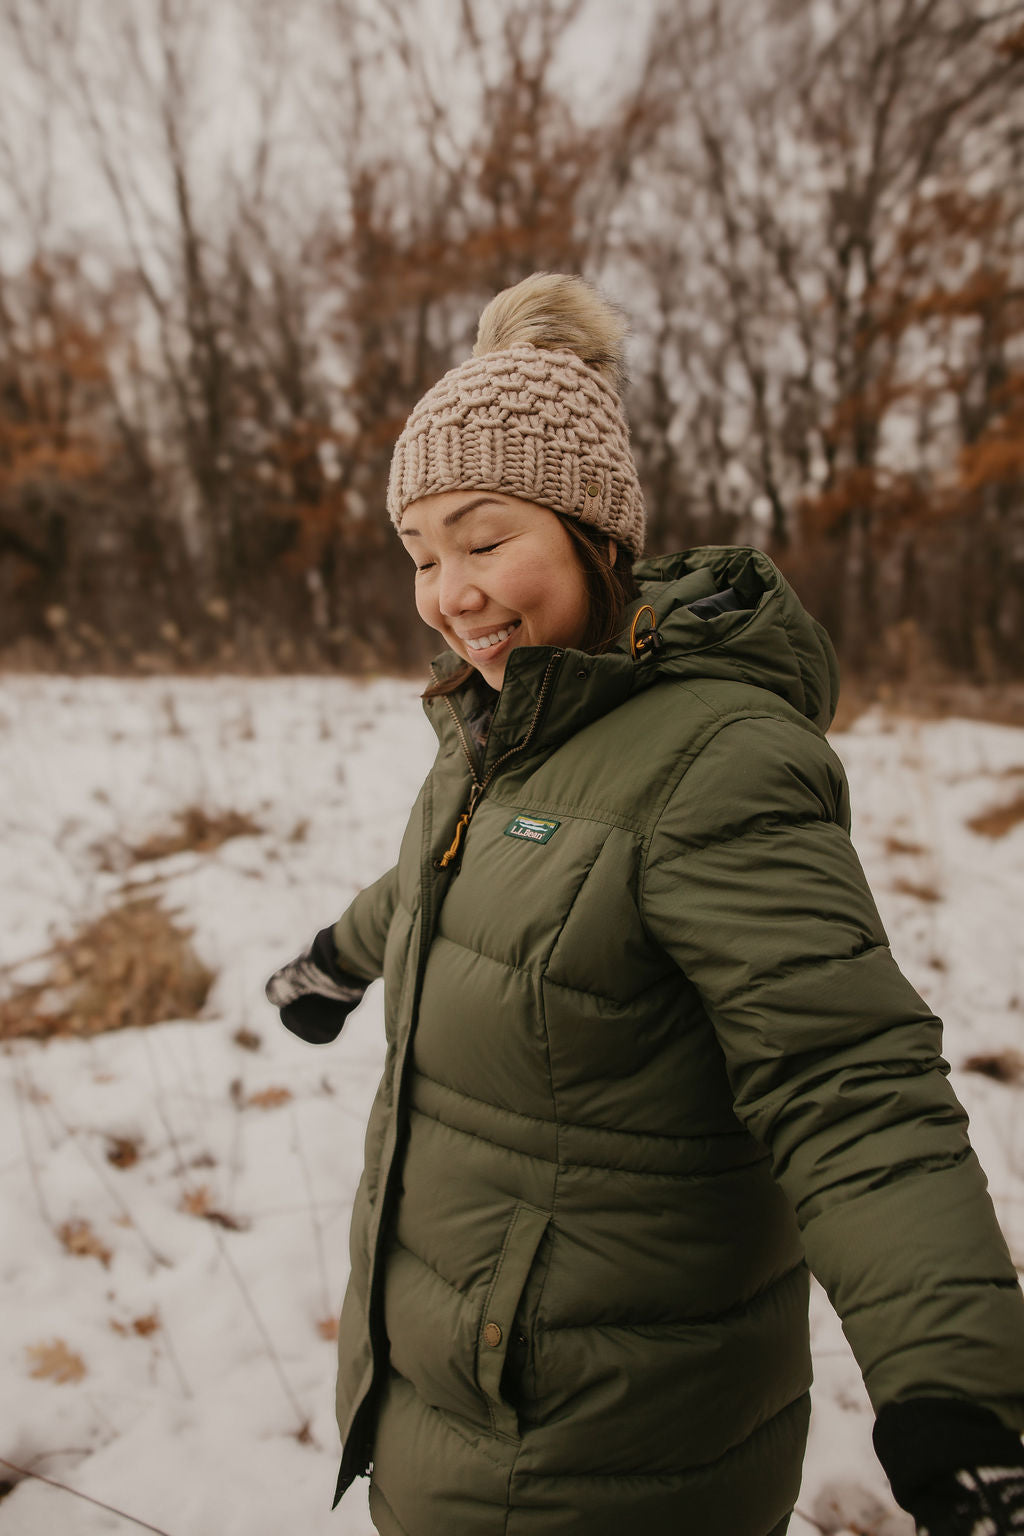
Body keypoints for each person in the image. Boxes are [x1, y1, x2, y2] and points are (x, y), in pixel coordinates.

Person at [266, 273, 1024, 1536]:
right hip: (446, 1409)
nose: (450, 592)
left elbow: (844, 1078)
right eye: (422, 555)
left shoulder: (714, 761)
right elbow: (445, 876)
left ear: (594, 531)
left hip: (602, 1453)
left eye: (484, 540)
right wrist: (338, 959)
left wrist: (960, 1394)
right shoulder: (509, 723)